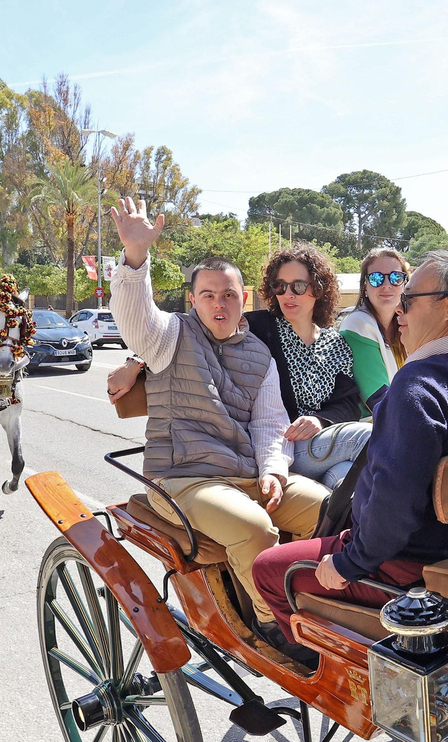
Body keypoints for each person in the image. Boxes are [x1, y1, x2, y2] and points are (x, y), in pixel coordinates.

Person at [252, 250, 448, 665]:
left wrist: (350, 562)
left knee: (268, 569)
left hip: (402, 564)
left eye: (409, 298)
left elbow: (395, 503)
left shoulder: (419, 383)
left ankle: (318, 671)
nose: (399, 307)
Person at [107, 198, 330, 643]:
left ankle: (322, 607)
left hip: (245, 475)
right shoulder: (171, 334)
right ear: (193, 300)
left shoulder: (260, 354)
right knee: (254, 528)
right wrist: (135, 255)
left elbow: (270, 423)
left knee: (332, 508)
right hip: (185, 479)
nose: (219, 303)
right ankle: (272, 625)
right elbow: (136, 321)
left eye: (228, 294)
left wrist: (273, 471)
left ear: (243, 299)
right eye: (208, 295)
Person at [245, 245, 369, 489]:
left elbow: (347, 404)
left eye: (298, 286)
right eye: (280, 286)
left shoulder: (335, 343)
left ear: (318, 289)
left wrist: (319, 420)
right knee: (369, 437)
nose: (288, 294)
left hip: (321, 444)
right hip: (280, 446)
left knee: (344, 479)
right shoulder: (257, 328)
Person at [340, 248, 408, 402]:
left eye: (396, 277)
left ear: (404, 283)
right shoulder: (357, 325)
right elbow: (378, 399)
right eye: (376, 278)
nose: (386, 285)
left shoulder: (404, 326)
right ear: (365, 286)